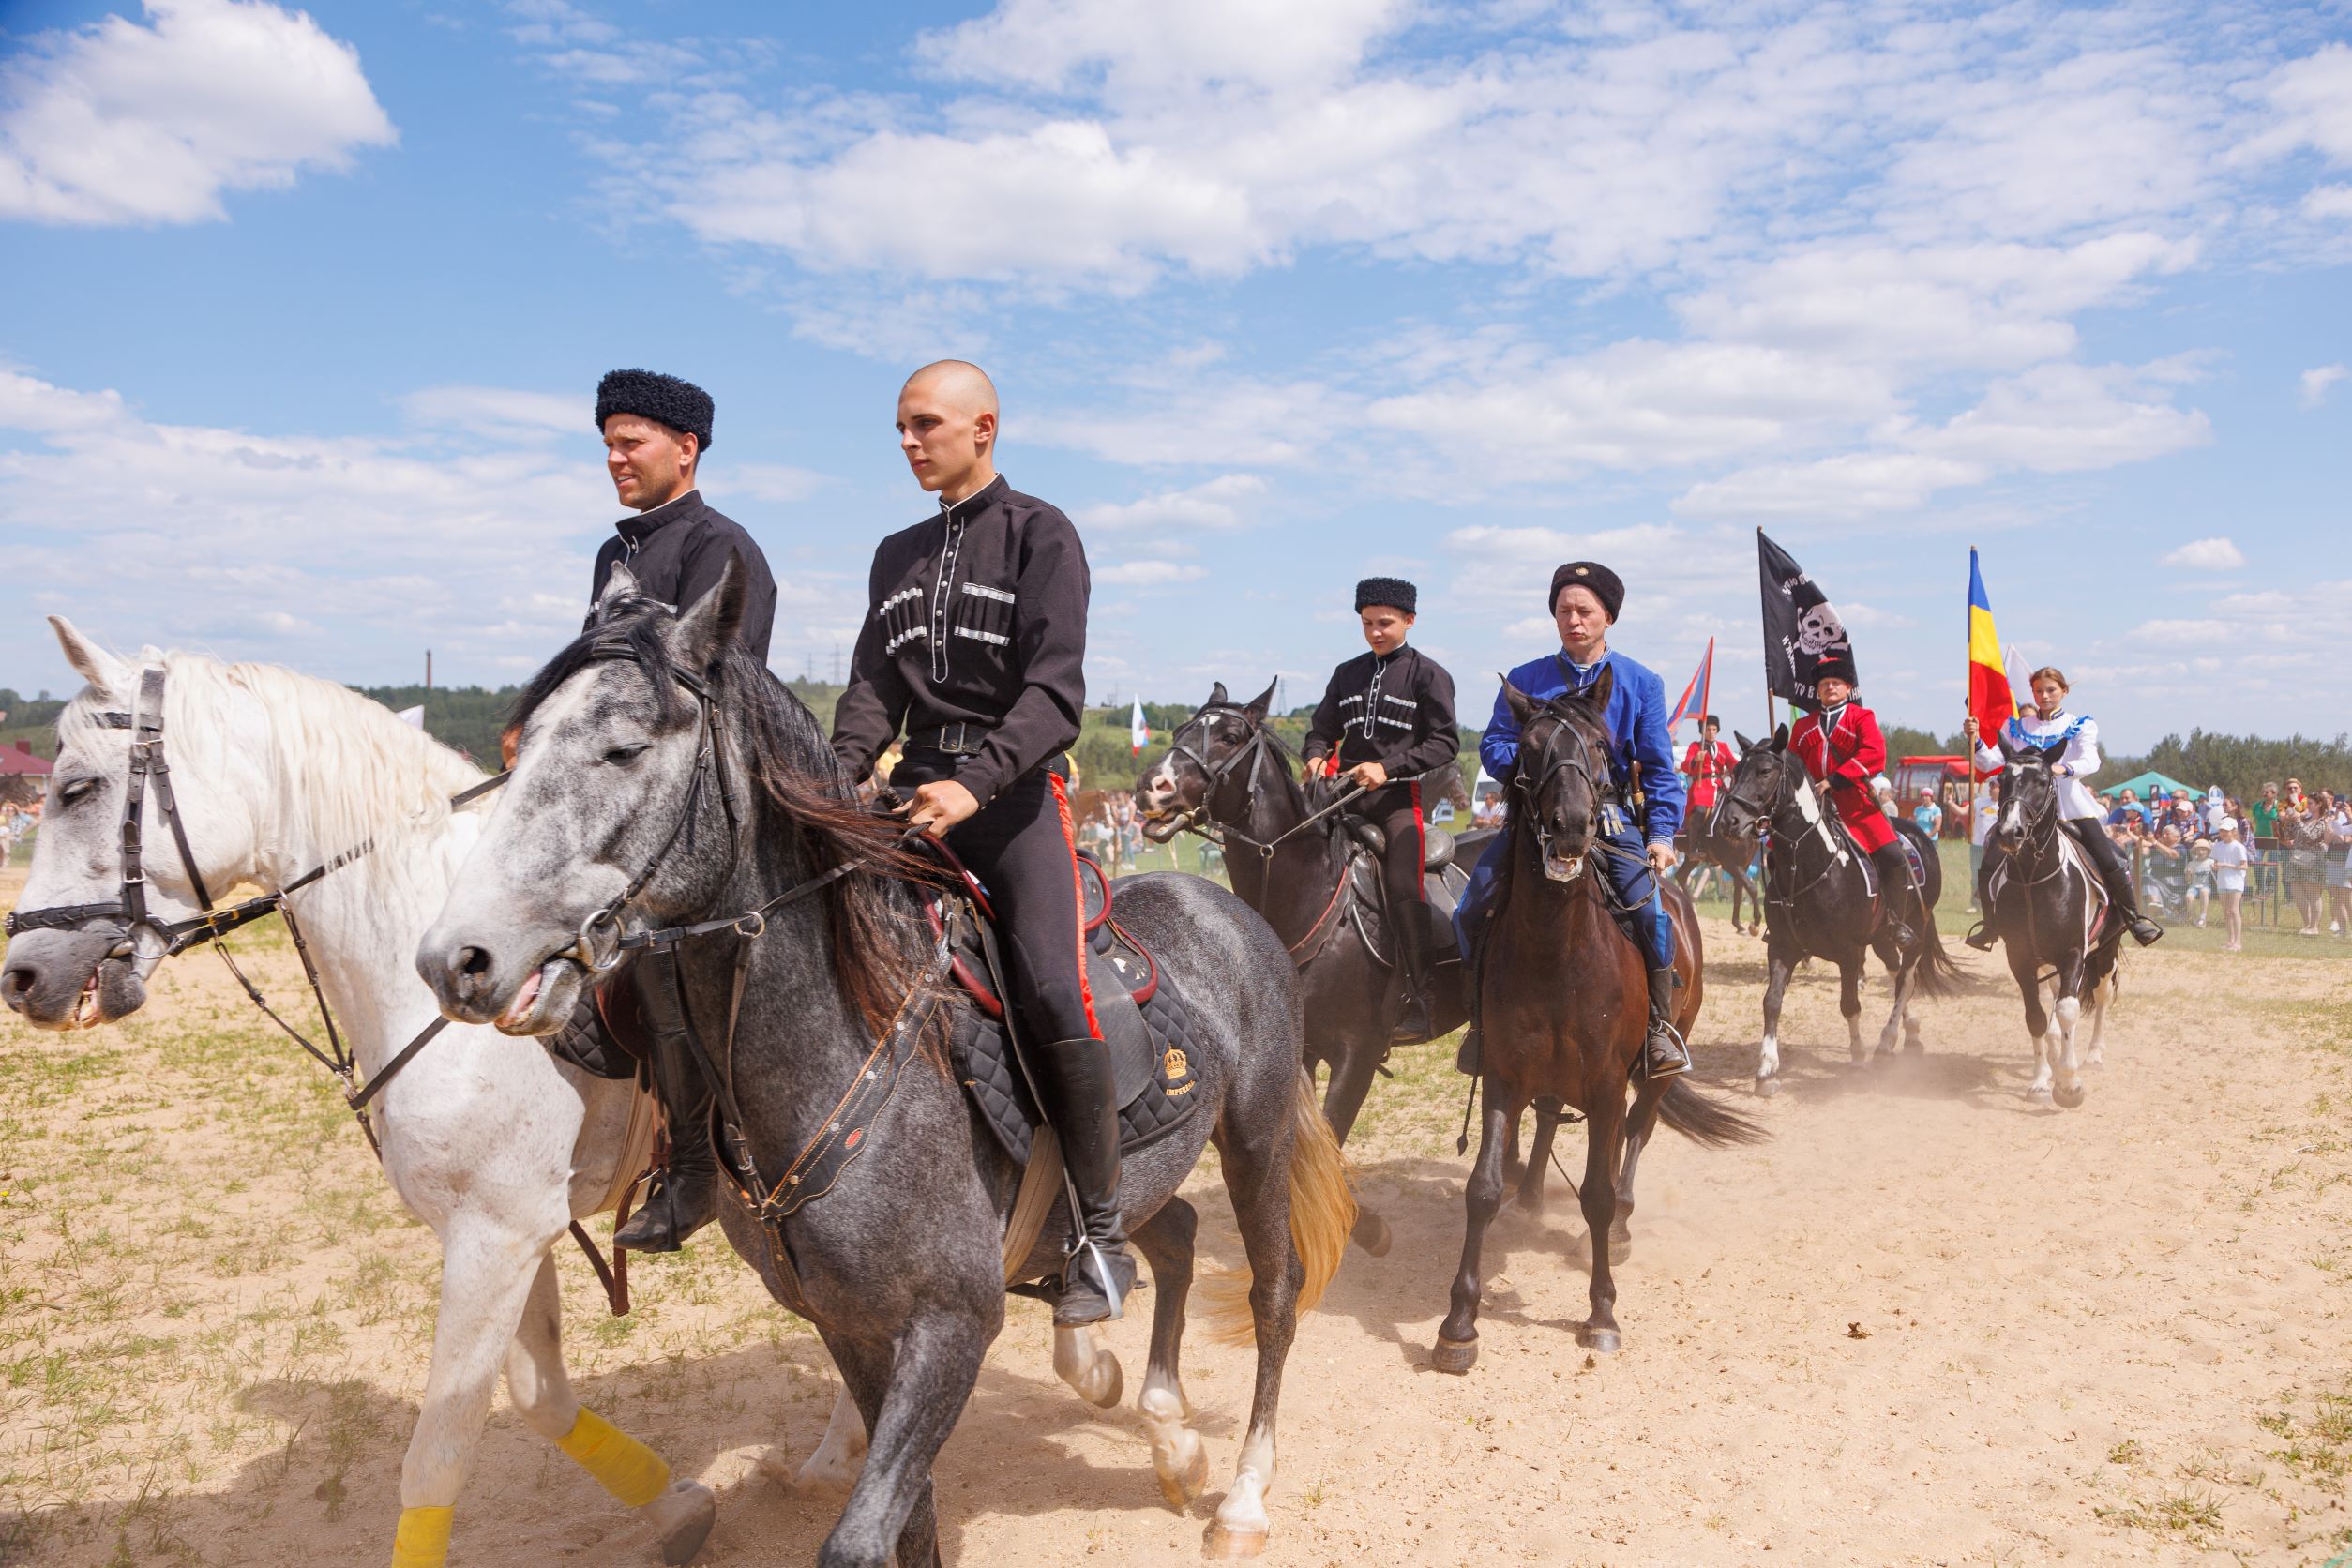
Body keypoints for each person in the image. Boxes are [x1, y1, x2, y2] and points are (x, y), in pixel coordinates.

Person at [829, 360, 1134, 1325]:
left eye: (926, 424)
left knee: (1049, 980)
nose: (910, 441)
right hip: (910, 794)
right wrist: (833, 780)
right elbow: (873, 690)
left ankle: (1102, 1231)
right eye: (901, 428)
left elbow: (1056, 695)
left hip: (1009, 800)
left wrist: (975, 781)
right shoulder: (894, 554)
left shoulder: (1043, 534)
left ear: (984, 427)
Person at [578, 369, 781, 1255]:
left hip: (698, 802)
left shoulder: (723, 550)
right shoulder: (611, 556)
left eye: (632, 442)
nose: (615, 458)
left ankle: (696, 1164)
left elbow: (724, 692)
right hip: (615, 793)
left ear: (686, 447)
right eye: (608, 444)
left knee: (654, 951)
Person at [1452, 561, 1688, 1079]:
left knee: (1649, 915)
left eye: (1584, 611)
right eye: (1564, 611)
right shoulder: (1525, 678)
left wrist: (1663, 833)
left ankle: (1656, 1029)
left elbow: (1658, 764)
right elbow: (1494, 742)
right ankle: (1481, 1026)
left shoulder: (1640, 683)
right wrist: (1537, 762)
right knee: (1471, 909)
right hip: (1535, 818)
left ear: (1608, 617)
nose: (1573, 620)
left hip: (1609, 819)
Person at [1303, 578, 1460, 1042]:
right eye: (1367, 623)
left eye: (1385, 623)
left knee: (1401, 881)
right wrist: (1314, 753)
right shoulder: (1345, 673)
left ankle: (1423, 992)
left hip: (1397, 800)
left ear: (1410, 621)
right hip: (1341, 795)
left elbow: (1445, 743)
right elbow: (1321, 728)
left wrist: (1387, 768)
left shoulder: (1429, 675)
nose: (1375, 631)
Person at [1965, 666, 2163, 950]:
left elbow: (2091, 760)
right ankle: (1990, 925)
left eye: (2050, 690)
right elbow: (1992, 761)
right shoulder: (2017, 727)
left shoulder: (2079, 724)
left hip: (2070, 806)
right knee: (1991, 858)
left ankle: (2133, 918)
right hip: (2028, 809)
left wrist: (2063, 768)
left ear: (2063, 692)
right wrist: (1977, 740)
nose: (2044, 696)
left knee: (2108, 857)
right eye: (2038, 691)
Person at [1787, 660, 1925, 953]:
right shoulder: (1802, 726)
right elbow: (1792, 764)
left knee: (1893, 856)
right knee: (1779, 853)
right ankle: (1782, 919)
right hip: (1814, 810)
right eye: (1824, 683)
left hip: (1857, 807)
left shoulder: (1861, 718)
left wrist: (1833, 780)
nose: (1830, 686)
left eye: (1836, 682)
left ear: (1848, 687)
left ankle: (1895, 922)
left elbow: (1875, 754)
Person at [1681, 716, 1735, 827]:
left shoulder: (1723, 747)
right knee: (1699, 811)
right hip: (1701, 786)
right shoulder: (1695, 746)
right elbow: (1684, 766)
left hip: (1720, 786)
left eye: (1714, 729)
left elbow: (1733, 763)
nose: (1712, 733)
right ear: (1702, 731)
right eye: (1708, 729)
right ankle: (1694, 843)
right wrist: (1695, 759)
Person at [2210, 819, 2250, 950]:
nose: (2223, 833)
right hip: (2222, 881)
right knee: (2226, 912)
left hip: (2235, 882)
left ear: (2233, 831)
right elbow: (2215, 862)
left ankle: (2238, 942)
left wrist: (2226, 865)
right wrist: (2215, 866)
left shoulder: (2238, 847)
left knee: (2234, 910)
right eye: (2221, 830)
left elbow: (2244, 866)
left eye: (2226, 831)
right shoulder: (2218, 846)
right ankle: (2230, 940)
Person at [2183, 835, 2213, 927]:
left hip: (2205, 886)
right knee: (2189, 897)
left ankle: (2202, 917)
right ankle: (2193, 919)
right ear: (2195, 851)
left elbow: (2217, 872)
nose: (2201, 852)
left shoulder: (2211, 862)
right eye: (2199, 849)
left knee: (2204, 892)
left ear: (2208, 851)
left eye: (2204, 849)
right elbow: (2187, 880)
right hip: (2194, 886)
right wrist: (2188, 874)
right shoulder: (2191, 863)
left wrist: (2215, 868)